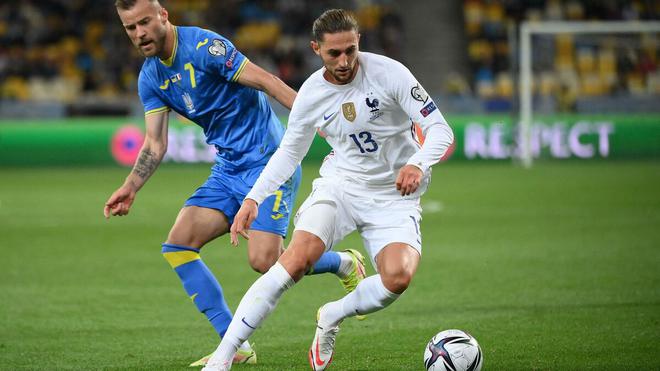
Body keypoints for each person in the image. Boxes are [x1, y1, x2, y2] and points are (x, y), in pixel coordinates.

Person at [104, 0, 366, 366]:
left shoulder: (204, 47)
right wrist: (131, 187)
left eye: (144, 22)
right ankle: (236, 343)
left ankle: (342, 263)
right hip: (228, 169)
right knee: (178, 245)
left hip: (269, 161)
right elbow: (155, 142)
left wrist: (319, 121)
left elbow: (268, 82)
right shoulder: (151, 77)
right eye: (130, 28)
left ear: (163, 15)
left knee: (264, 261)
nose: (140, 33)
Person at [202, 8, 454, 371]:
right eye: (334, 53)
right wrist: (253, 198)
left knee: (397, 277)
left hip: (394, 194)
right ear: (316, 48)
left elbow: (441, 130)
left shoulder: (390, 73)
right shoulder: (311, 94)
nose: (344, 60)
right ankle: (223, 358)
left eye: (350, 50)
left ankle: (333, 314)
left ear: (358, 43)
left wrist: (418, 162)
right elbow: (289, 152)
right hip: (342, 186)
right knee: (295, 260)